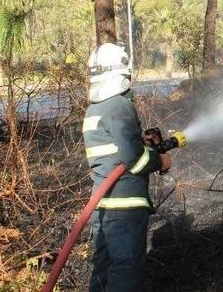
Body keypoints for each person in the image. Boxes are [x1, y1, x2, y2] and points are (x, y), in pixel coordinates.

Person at [82, 43, 172, 292]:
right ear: (122, 73)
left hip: (103, 205)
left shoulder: (94, 109)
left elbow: (115, 151)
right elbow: (134, 160)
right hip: (125, 205)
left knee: (104, 266)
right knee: (126, 268)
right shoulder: (120, 106)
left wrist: (140, 143)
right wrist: (159, 160)